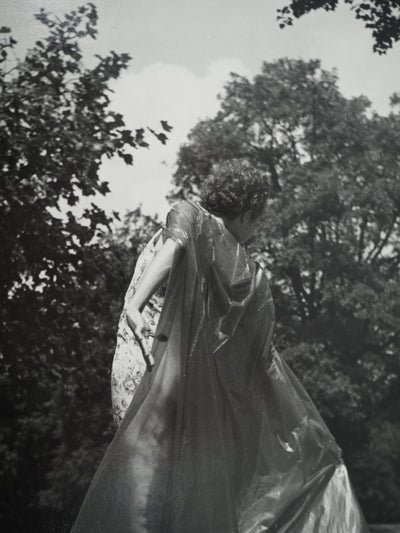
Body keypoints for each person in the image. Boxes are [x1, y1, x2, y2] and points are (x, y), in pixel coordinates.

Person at [71, 160, 369, 532]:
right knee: (170, 483)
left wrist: (134, 305)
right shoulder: (217, 242)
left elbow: (174, 249)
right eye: (256, 221)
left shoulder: (190, 221)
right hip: (179, 379)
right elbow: (177, 252)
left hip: (141, 363)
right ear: (245, 213)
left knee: (146, 474)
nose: (255, 232)